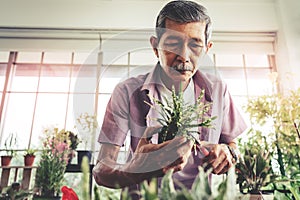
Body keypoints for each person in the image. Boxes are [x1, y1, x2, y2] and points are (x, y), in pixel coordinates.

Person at [92, 0, 247, 199]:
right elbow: (100, 170)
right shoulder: (127, 91)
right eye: (173, 43)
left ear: (207, 48)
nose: (183, 56)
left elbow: (233, 147)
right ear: (155, 47)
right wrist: (137, 169)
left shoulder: (218, 90)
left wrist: (228, 153)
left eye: (195, 44)